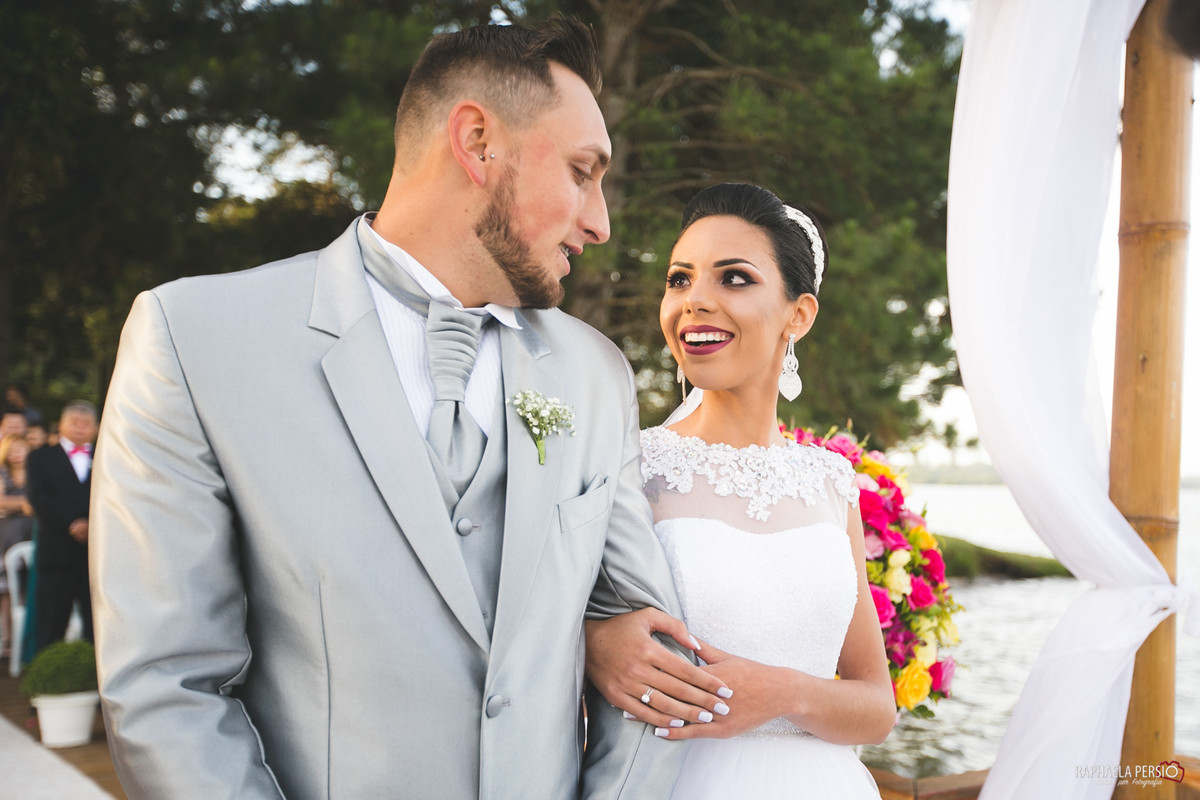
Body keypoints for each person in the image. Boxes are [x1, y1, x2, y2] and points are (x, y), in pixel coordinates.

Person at [91, 18, 727, 800]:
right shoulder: (195, 343)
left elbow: (650, 664)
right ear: (476, 142)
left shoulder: (596, 374)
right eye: (580, 171)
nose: (600, 221)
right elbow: (168, 690)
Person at [584, 183, 895, 798]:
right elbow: (536, 630)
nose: (695, 301)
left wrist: (786, 692)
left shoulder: (831, 482)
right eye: (679, 279)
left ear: (797, 315)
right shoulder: (628, 465)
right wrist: (592, 643)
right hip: (676, 783)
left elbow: (876, 705)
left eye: (733, 279)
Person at [27, 401, 96, 651]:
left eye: (86, 423)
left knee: (97, 625)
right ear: (61, 425)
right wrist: (71, 523)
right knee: (51, 624)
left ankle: (96, 681)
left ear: (96, 428)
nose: (80, 428)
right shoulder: (40, 457)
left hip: (96, 553)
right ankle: (46, 680)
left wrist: (93, 524)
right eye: (74, 423)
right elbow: (38, 497)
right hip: (56, 550)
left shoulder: (108, 456)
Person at [0, 434, 35, 658]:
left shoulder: (36, 471)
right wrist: (26, 504)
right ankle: (9, 640)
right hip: (7, 538)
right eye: (11, 449)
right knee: (8, 591)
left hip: (32, 535)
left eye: (20, 448)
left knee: (28, 589)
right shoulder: (2, 472)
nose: (16, 453)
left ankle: (28, 641)